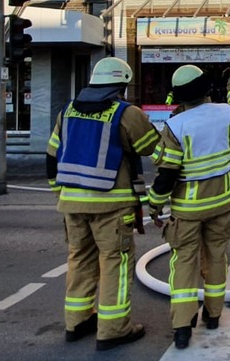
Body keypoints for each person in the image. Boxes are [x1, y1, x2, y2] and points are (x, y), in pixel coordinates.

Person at [46, 57, 161, 351]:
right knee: (115, 263)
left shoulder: (68, 110)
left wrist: (59, 192)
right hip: (111, 205)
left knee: (79, 259)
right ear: (121, 85)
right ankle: (113, 329)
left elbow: (51, 155)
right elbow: (149, 146)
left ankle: (77, 321)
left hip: (71, 204)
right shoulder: (125, 112)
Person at [147, 65, 230, 350]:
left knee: (184, 263)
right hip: (222, 203)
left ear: (179, 97)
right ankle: (213, 315)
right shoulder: (225, 112)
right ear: (205, 90)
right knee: (216, 258)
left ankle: (182, 326)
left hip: (188, 210)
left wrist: (154, 207)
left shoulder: (176, 126)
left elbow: (166, 174)